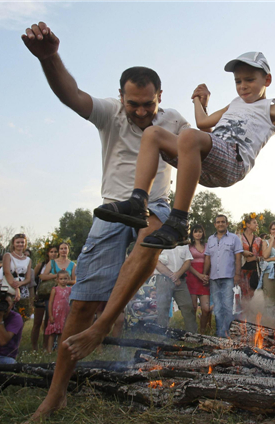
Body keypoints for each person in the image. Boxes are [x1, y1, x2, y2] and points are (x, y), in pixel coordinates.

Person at [22, 21, 191, 419]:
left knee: (152, 237)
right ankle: (56, 393)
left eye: (148, 104)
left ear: (159, 97)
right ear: (121, 97)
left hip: (157, 205)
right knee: (81, 306)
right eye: (133, 104)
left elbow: (198, 153)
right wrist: (50, 59)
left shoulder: (173, 120)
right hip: (112, 209)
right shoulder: (109, 113)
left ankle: (105, 326)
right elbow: (72, 95)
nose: (141, 111)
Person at [94, 51, 275, 250]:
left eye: (249, 80)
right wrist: (197, 100)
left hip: (233, 161)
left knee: (189, 136)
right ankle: (139, 202)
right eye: (238, 81)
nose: (243, 86)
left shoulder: (273, 108)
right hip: (205, 162)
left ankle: (179, 220)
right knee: (153, 133)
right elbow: (204, 122)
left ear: (267, 80)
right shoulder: (234, 103)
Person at [204, 215, 243, 337]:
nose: (220, 224)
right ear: (215, 224)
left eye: (223, 222)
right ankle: (220, 334)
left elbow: (238, 258)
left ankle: (229, 334)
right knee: (217, 308)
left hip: (228, 277)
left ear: (227, 224)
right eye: (218, 222)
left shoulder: (234, 238)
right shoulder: (210, 239)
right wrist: (205, 274)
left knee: (227, 306)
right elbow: (208, 258)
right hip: (214, 278)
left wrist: (237, 275)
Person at [154, 245, 197, 333]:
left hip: (181, 281)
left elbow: (187, 261)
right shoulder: (159, 242)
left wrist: (177, 275)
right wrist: (174, 277)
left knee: (188, 307)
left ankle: (193, 334)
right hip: (163, 280)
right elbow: (156, 262)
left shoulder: (183, 243)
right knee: (163, 308)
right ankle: (162, 335)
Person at [31, 244, 58, 351]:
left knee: (48, 322)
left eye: (55, 251)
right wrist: (33, 295)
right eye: (51, 251)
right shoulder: (41, 265)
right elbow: (34, 280)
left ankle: (46, 346)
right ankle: (34, 346)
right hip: (41, 295)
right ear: (48, 253)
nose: (54, 254)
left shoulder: (59, 265)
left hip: (53, 296)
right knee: (37, 322)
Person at [186, 225, 211, 333]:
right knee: (193, 307)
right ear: (192, 233)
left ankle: (202, 330)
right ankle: (192, 331)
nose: (198, 234)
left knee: (206, 308)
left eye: (200, 231)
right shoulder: (188, 246)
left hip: (204, 277)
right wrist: (198, 275)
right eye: (195, 232)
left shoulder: (207, 245)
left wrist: (206, 276)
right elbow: (186, 263)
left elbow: (209, 260)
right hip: (192, 276)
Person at [0, 234, 32, 306]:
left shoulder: (28, 260)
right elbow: (7, 272)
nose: (20, 244)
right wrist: (16, 288)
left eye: (22, 242)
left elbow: (28, 278)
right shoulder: (8, 256)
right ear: (13, 243)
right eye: (18, 242)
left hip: (22, 286)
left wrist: (21, 284)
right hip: (9, 284)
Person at [45, 270, 72, 352]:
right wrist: (50, 315)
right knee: (52, 333)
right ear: (57, 280)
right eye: (61, 279)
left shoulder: (69, 289)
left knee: (61, 332)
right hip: (55, 313)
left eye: (65, 278)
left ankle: (59, 350)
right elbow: (50, 302)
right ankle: (49, 350)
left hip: (64, 313)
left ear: (68, 279)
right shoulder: (55, 289)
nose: (63, 280)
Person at [239, 214, 263, 299]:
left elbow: (263, 256)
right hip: (241, 271)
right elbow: (232, 252)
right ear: (248, 224)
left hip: (254, 272)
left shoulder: (259, 240)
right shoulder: (239, 238)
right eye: (254, 222)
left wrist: (256, 258)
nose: (257, 225)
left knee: (253, 296)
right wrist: (242, 252)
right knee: (242, 296)